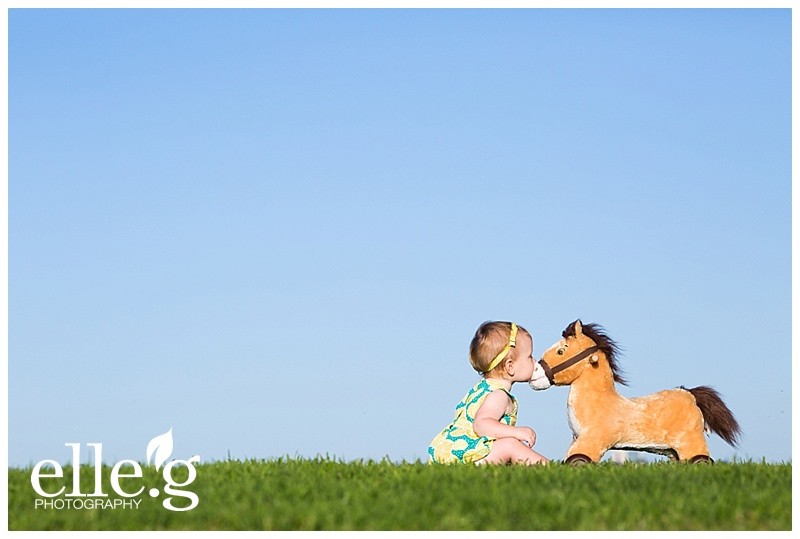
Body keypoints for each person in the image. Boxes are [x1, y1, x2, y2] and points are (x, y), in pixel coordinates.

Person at [428, 321, 549, 465]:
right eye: (529, 356)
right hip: (467, 456)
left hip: (460, 453)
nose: (534, 361)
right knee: (510, 445)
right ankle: (554, 469)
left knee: (505, 445)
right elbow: (481, 425)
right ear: (510, 366)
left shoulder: (482, 388)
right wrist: (516, 432)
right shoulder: (499, 395)